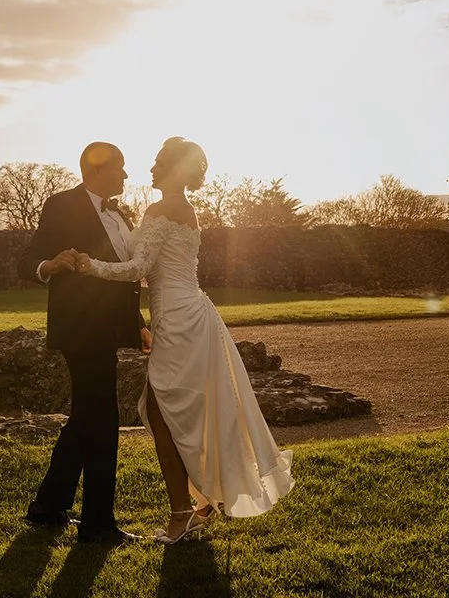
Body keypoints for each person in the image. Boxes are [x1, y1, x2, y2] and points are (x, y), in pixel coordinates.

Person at [75, 137, 294, 544]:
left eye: (159, 163)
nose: (152, 169)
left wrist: (90, 266)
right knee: (184, 411)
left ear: (175, 169)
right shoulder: (184, 209)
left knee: (164, 413)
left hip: (178, 319)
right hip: (187, 313)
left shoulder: (164, 208)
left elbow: (139, 267)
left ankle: (182, 515)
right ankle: (201, 501)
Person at [16, 141, 148, 544]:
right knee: (103, 420)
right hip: (80, 329)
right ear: (97, 170)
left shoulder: (120, 215)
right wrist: (50, 265)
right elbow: (26, 260)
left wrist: (137, 323)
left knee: (86, 417)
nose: (126, 176)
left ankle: (48, 506)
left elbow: (124, 276)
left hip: (108, 328)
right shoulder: (62, 205)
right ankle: (97, 524)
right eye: (120, 169)